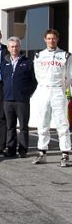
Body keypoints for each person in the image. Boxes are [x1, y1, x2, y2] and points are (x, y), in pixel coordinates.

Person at [33, 29, 72, 166]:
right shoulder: (39, 56)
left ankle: (65, 153)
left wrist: (62, 89)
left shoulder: (65, 55)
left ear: (57, 39)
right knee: (43, 122)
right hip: (43, 90)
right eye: (49, 38)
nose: (51, 41)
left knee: (62, 124)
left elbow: (68, 77)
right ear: (45, 39)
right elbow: (37, 75)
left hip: (58, 91)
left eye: (53, 38)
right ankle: (42, 152)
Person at [0, 36, 36, 158]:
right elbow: (2, 80)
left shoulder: (28, 62)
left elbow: (33, 81)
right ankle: (10, 149)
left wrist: (27, 93)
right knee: (10, 126)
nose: (14, 49)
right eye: (12, 46)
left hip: (22, 100)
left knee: (23, 126)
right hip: (8, 100)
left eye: (16, 46)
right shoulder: (4, 63)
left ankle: (23, 149)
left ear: (19, 47)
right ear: (8, 48)